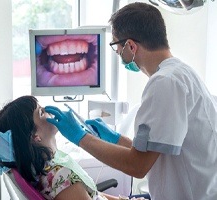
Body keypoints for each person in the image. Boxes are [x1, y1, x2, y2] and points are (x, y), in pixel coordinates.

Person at [45, 2, 217, 200]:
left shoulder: (165, 83)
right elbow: (157, 149)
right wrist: (115, 139)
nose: (118, 54)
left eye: (116, 48)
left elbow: (137, 166)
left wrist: (80, 137)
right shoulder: (181, 73)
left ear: (131, 46)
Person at [0, 95, 147, 200]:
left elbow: (93, 195)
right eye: (40, 112)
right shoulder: (60, 176)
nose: (47, 110)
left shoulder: (45, 170)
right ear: (34, 136)